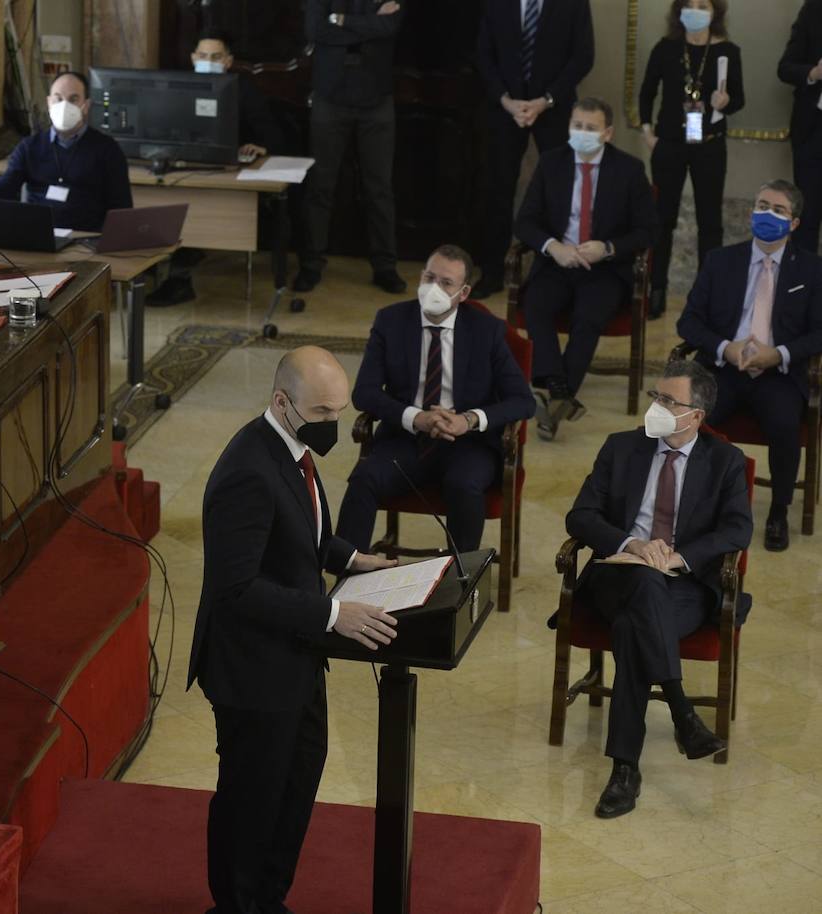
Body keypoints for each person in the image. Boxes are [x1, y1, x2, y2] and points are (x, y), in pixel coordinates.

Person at [188, 346, 399, 914]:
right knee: (253, 800)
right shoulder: (248, 472)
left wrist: (352, 559)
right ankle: (236, 905)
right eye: (325, 414)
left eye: (340, 411)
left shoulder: (293, 449)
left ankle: (268, 901)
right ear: (283, 402)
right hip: (253, 670)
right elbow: (236, 589)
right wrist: (334, 614)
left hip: (295, 658)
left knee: (296, 784)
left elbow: (302, 531)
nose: (335, 425)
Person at [565, 359, 752, 818]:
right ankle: (681, 710)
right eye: (655, 396)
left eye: (669, 401)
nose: (657, 407)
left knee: (635, 627)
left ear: (696, 417)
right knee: (643, 585)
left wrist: (677, 556)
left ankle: (624, 769)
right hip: (617, 573)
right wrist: (633, 543)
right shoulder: (621, 447)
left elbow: (737, 530)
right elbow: (581, 516)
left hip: (684, 586)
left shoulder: (725, 460)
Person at [337, 245, 536, 554]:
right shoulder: (390, 321)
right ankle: (345, 576)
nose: (434, 288)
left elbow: (523, 401)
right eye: (429, 278)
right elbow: (365, 392)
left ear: (464, 292)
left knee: (464, 484)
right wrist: (415, 417)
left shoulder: (487, 331)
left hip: (468, 444)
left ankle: (461, 583)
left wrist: (468, 420)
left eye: (446, 283)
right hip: (405, 439)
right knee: (364, 479)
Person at [676, 180, 822, 551]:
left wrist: (781, 353)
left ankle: (778, 510)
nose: (767, 214)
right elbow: (689, 322)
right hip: (723, 369)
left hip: (778, 373)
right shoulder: (720, 260)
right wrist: (725, 347)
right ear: (751, 212)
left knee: (785, 424)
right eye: (762, 206)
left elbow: (819, 332)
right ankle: (698, 501)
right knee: (694, 419)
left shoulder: (811, 269)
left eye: (778, 210)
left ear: (794, 223)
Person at [513, 97, 657, 441]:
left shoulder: (630, 169)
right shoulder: (551, 163)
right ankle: (560, 393)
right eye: (576, 126)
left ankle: (554, 397)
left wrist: (607, 248)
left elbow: (648, 230)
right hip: (558, 261)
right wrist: (554, 247)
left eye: (590, 128)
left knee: (589, 317)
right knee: (535, 306)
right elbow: (526, 222)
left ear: (606, 133)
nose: (581, 133)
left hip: (605, 268)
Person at [148, 33, 290, 307]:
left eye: (215, 57)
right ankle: (169, 269)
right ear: (193, 58)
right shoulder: (179, 86)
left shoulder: (244, 89)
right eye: (202, 56)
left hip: (228, 175)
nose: (207, 62)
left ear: (228, 61)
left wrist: (259, 146)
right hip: (182, 169)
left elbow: (274, 135)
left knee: (192, 209)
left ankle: (180, 277)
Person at [472, 0, 596, 300]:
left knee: (559, 190)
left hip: (553, 108)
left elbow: (583, 57)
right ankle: (491, 271)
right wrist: (506, 100)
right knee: (497, 189)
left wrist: (545, 100)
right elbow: (483, 55)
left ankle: (553, 271)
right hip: (505, 109)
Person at [638, 0, 745, 319]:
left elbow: (739, 99)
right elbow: (646, 92)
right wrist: (648, 133)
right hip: (669, 144)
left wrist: (725, 102)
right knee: (662, 219)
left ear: (715, 12)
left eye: (703, 5)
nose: (696, 10)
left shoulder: (729, 51)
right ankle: (656, 290)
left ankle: (705, 297)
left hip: (710, 145)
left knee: (709, 223)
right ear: (679, 11)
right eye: (690, 4)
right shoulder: (666, 47)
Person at [296, 0, 406, 295]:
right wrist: (370, 22)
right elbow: (317, 30)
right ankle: (311, 264)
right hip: (330, 96)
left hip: (376, 98)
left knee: (379, 188)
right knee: (320, 186)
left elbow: (391, 26)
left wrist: (342, 20)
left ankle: (385, 266)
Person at [0, 72, 133, 232]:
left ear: (86, 106)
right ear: (49, 102)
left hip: (86, 237)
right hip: (37, 235)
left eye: (73, 99)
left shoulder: (107, 149)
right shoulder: (29, 147)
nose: (64, 105)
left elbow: (121, 208)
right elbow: (7, 184)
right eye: (58, 98)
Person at [779, 0, 822, 256]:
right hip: (813, 132)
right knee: (806, 220)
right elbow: (785, 67)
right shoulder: (814, 9)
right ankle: (803, 291)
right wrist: (814, 73)